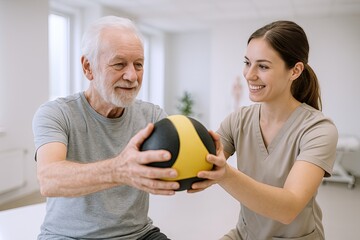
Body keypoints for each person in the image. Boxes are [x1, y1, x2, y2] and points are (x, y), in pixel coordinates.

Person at [32, 16, 181, 240]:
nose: (132, 76)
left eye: (138, 64)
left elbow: (179, 162)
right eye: (119, 64)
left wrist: (207, 161)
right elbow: (49, 179)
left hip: (139, 234)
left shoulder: (152, 116)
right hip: (69, 237)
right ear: (88, 67)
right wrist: (118, 170)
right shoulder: (56, 113)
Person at [191, 20, 338, 240]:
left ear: (295, 71)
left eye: (263, 66)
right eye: (247, 63)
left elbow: (288, 208)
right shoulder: (238, 120)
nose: (249, 75)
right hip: (245, 235)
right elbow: (202, 161)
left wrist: (225, 174)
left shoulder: (318, 130)